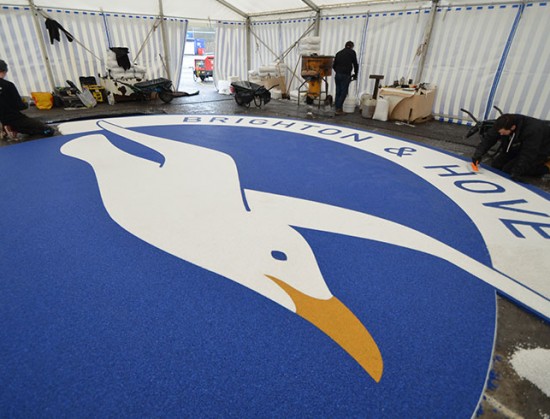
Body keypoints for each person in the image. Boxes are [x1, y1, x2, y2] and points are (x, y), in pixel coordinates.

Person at [472, 113, 550, 180]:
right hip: (520, 144)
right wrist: (478, 154)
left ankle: (546, 167)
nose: (501, 135)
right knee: (496, 165)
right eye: (500, 133)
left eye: (503, 133)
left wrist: (518, 171)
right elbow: (489, 139)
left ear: (512, 128)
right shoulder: (502, 123)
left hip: (541, 147)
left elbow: (529, 153)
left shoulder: (533, 130)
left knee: (510, 170)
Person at [0, 59, 55, 140]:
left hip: (3, 119)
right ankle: (11, 127)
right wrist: (26, 103)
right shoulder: (8, 85)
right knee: (48, 130)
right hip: (14, 119)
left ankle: (8, 127)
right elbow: (19, 106)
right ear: (4, 71)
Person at [332, 41, 359, 115]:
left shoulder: (339, 53)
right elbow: (355, 64)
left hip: (338, 74)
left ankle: (336, 107)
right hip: (346, 75)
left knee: (338, 91)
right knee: (343, 92)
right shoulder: (352, 52)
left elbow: (334, 65)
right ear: (352, 46)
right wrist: (356, 74)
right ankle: (338, 109)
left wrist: (337, 71)